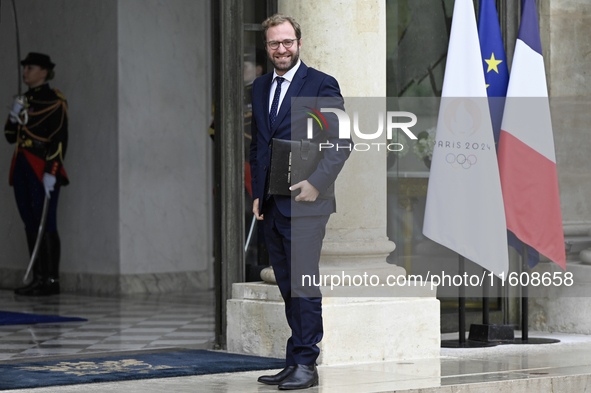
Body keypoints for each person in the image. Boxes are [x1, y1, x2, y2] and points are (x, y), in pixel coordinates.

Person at [250, 14, 351, 390]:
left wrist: (316, 183)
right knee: (288, 284)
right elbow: (258, 144)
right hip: (273, 204)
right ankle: (296, 359)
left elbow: (341, 143)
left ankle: (307, 363)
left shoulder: (322, 84)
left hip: (307, 203)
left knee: (304, 284)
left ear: (299, 43)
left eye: (287, 42)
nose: (281, 49)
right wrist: (257, 193)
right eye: (274, 44)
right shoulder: (260, 86)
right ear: (267, 47)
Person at [4, 52, 69, 296]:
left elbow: (60, 139)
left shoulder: (55, 100)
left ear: (44, 72)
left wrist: (52, 171)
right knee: (30, 222)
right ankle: (39, 277)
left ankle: (51, 281)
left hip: (41, 166)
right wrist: (13, 116)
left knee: (46, 222)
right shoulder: (23, 99)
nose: (25, 72)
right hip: (21, 166)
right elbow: (11, 137)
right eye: (25, 68)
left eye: (30, 67)